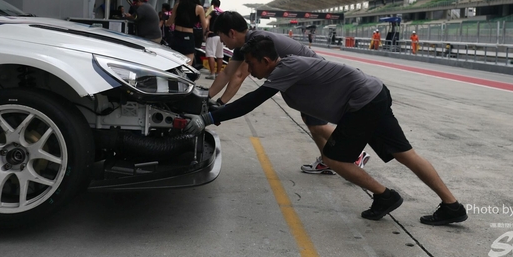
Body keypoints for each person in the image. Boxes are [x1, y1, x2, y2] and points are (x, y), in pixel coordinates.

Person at [187, 36, 467, 225]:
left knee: (334, 158)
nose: (248, 68)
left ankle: (385, 196)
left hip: (363, 101)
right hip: (372, 94)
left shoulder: (285, 69)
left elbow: (250, 102)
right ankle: (452, 206)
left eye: (250, 63)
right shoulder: (285, 71)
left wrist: (210, 117)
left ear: (266, 60)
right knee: (404, 153)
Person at [208, 11, 369, 174]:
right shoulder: (244, 45)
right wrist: (207, 97)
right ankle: (327, 160)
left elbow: (239, 75)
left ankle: (355, 153)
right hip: (300, 80)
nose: (221, 41)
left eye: (221, 36)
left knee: (317, 125)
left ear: (231, 33)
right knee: (312, 123)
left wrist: (220, 105)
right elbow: (227, 73)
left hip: (312, 80)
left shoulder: (257, 43)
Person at [167, 0, 207, 65]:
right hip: (188, 37)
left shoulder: (177, 5)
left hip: (177, 36)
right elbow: (205, 26)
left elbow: (169, 22)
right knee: (188, 66)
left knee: (174, 63)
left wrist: (165, 22)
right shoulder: (199, 8)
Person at [204, 0, 224, 80]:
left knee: (210, 54)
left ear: (212, 4)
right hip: (221, 36)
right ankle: (218, 73)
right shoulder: (222, 12)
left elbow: (207, 19)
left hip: (212, 34)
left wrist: (207, 29)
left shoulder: (211, 10)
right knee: (219, 55)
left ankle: (212, 73)